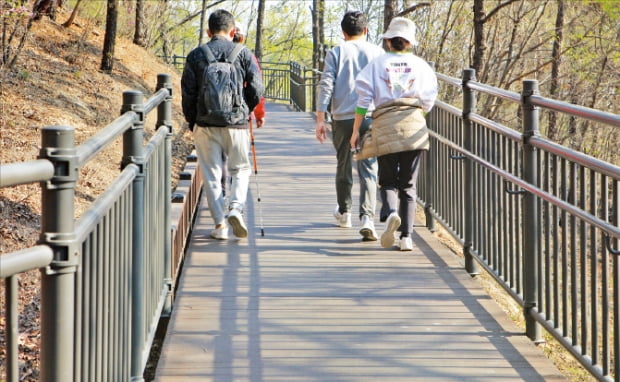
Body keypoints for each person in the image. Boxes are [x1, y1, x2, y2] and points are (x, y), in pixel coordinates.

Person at [350, 17, 438, 251]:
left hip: (385, 125)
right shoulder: (421, 66)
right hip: (414, 126)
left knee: (387, 180)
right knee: (408, 185)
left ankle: (390, 213)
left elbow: (363, 101)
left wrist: (356, 130)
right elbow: (428, 100)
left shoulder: (376, 65)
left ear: (388, 41)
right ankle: (406, 237)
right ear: (408, 43)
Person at [181, 9, 264, 240]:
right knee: (240, 169)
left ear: (209, 31)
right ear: (233, 31)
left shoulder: (196, 55)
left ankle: (220, 226)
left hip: (205, 123)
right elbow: (257, 89)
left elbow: (188, 93)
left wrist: (193, 121)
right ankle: (236, 208)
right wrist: (245, 110)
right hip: (236, 124)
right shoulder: (243, 53)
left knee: (211, 173)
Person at [315, 11, 384, 241]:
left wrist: (320, 117)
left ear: (343, 33)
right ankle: (367, 218)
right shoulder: (378, 52)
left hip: (343, 116)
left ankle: (344, 212)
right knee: (369, 167)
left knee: (344, 162)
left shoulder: (336, 52)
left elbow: (326, 83)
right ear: (365, 30)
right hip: (372, 115)